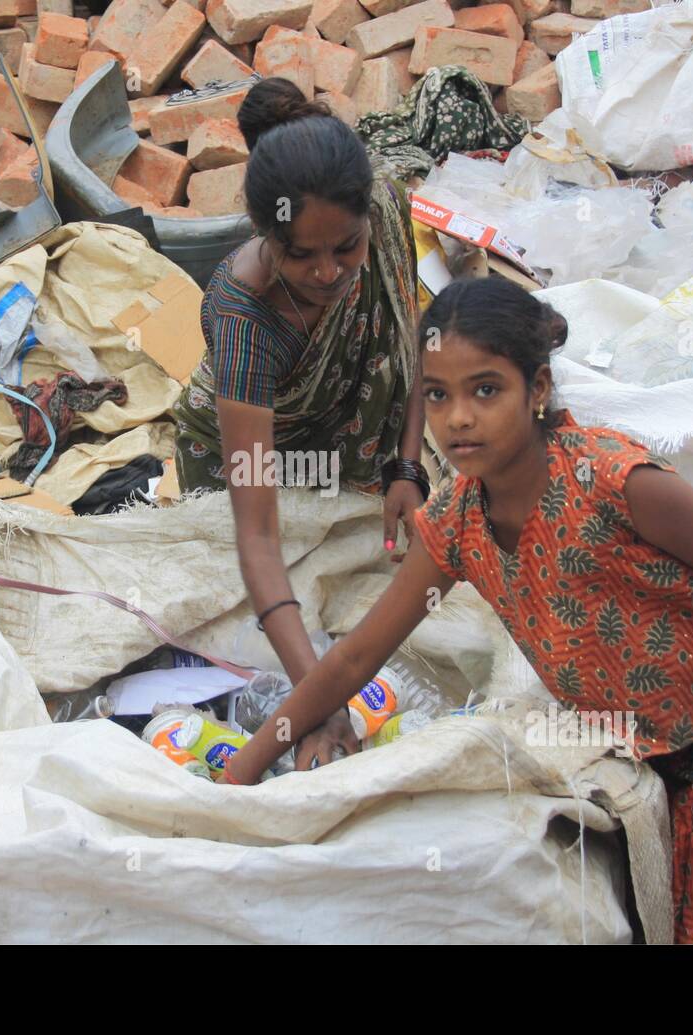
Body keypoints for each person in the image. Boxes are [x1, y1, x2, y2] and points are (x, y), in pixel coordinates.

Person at [223, 276, 693, 945]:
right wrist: (240, 774)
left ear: (539, 389)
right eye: (438, 396)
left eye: (485, 389)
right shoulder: (458, 523)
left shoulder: (616, 481)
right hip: (655, 760)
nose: (458, 417)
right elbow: (352, 656)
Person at [172, 78, 428, 764]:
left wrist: (408, 463)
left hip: (347, 431)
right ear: (263, 235)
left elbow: (408, 339)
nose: (328, 273)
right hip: (242, 450)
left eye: (346, 248)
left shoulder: (384, 207)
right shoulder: (243, 316)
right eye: (300, 255)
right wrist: (319, 701)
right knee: (231, 610)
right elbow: (257, 534)